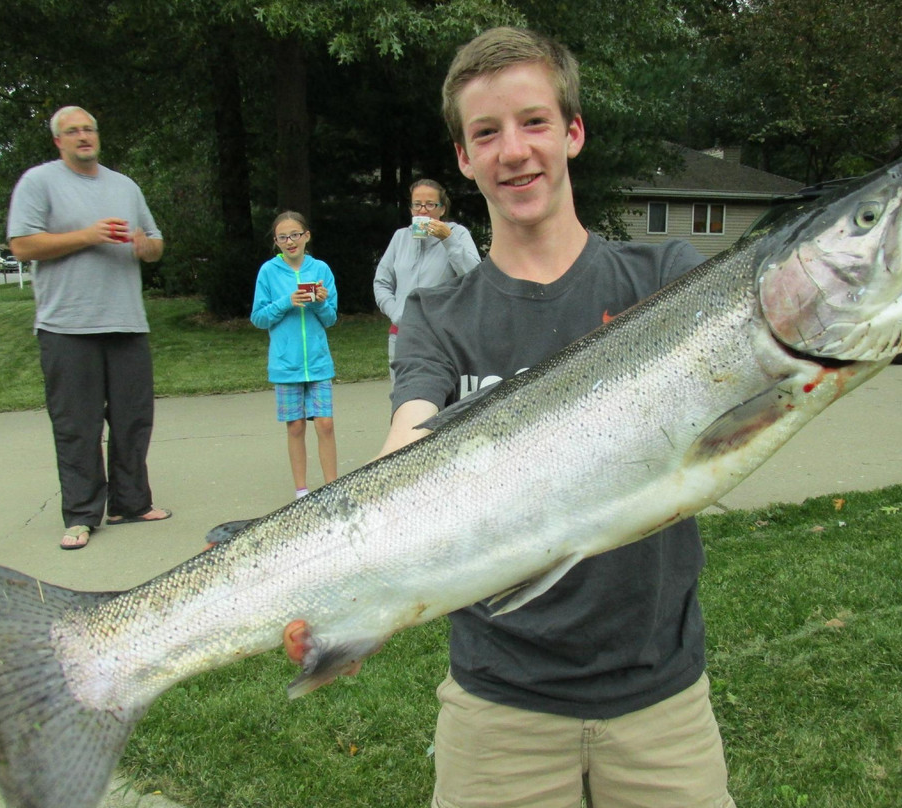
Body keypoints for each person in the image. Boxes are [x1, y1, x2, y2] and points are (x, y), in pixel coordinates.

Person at [284, 27, 736, 808]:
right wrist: (353, 590)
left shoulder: (663, 282)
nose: (514, 150)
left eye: (533, 122)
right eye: (486, 132)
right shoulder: (437, 316)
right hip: (497, 707)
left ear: (573, 132)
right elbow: (409, 446)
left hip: (662, 702)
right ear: (463, 157)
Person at [7, 106, 170, 551]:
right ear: (58, 141)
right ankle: (81, 515)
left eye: (89, 129)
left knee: (133, 419)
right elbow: (22, 245)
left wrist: (145, 246)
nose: (83, 136)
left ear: (98, 136)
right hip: (67, 325)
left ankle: (130, 504)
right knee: (77, 424)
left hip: (126, 321)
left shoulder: (125, 186)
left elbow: (155, 244)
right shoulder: (39, 183)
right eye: (72, 131)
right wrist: (88, 235)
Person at [251, 211, 339, 500]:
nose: (290, 242)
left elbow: (330, 319)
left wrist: (318, 303)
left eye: (295, 235)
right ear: (275, 242)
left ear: (307, 236)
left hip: (317, 362)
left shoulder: (321, 269)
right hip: (285, 364)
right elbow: (259, 318)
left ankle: (331, 487)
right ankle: (302, 491)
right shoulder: (268, 272)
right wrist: (287, 302)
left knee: (325, 423)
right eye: (283, 237)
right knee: (296, 426)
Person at [373, 179, 480, 380]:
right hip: (403, 334)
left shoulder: (457, 234)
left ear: (442, 209)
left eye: (430, 204)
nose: (423, 211)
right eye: (417, 204)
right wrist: (396, 313)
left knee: (444, 399)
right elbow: (382, 282)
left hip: (443, 336)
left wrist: (448, 240)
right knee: (402, 398)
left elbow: (474, 276)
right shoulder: (400, 237)